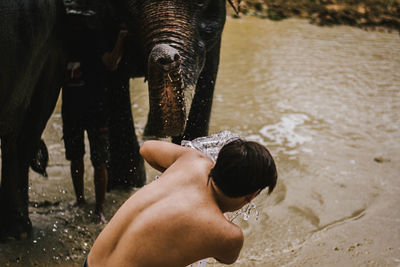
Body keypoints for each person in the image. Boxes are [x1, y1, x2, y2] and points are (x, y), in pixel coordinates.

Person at [86, 138, 278, 266]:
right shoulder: (229, 235)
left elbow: (146, 149)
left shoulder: (193, 160)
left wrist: (174, 172)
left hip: (91, 261)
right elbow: (228, 258)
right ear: (252, 195)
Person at [62, 27, 128, 223]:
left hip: (92, 109)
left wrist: (120, 39)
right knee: (79, 158)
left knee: (96, 161)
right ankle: (82, 202)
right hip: (78, 108)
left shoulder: (92, 35)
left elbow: (111, 63)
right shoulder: (67, 37)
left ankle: (97, 208)